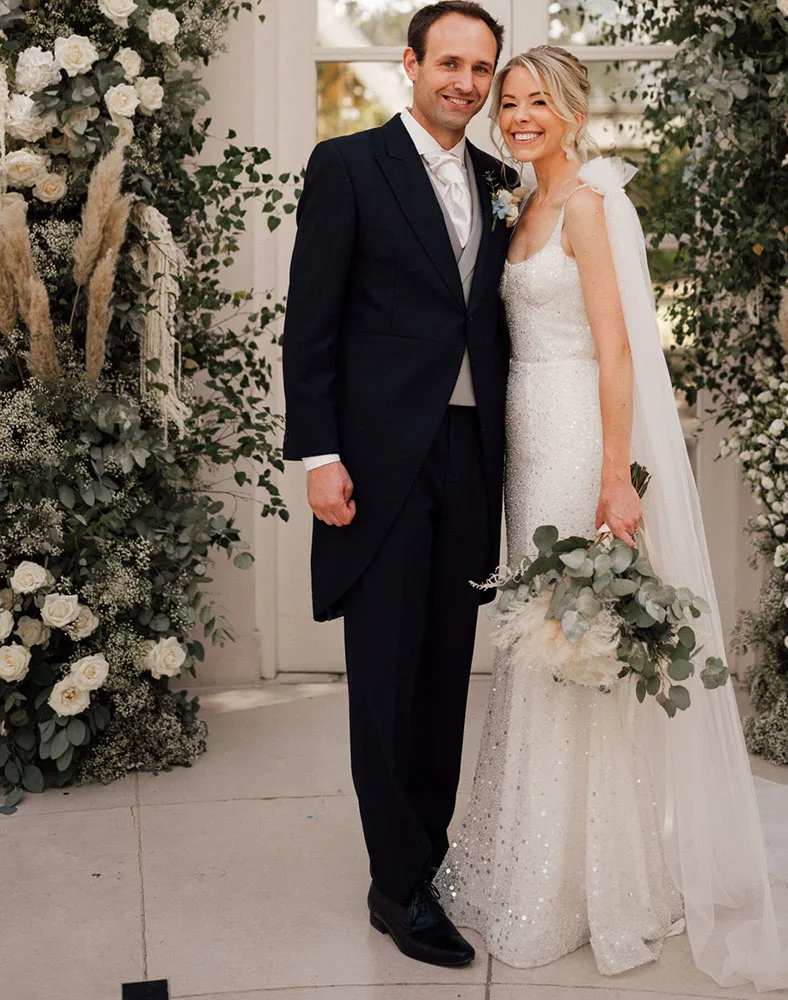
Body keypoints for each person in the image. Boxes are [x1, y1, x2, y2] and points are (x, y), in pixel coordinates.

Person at [437, 44, 788, 993]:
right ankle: (536, 861)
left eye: (539, 102)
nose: (521, 116)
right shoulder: (520, 203)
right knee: (540, 642)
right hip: (525, 444)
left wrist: (618, 477)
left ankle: (602, 885)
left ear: (573, 109)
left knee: (582, 638)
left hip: (581, 438)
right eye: (511, 102)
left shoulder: (589, 204)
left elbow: (619, 354)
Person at [281, 1, 516, 970]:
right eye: (449, 62)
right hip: (375, 462)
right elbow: (311, 323)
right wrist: (316, 453)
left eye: (481, 68)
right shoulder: (346, 167)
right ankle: (395, 885)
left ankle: (428, 852)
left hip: (469, 456)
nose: (465, 81)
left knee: (444, 671)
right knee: (383, 674)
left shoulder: (502, 180)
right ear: (410, 64)